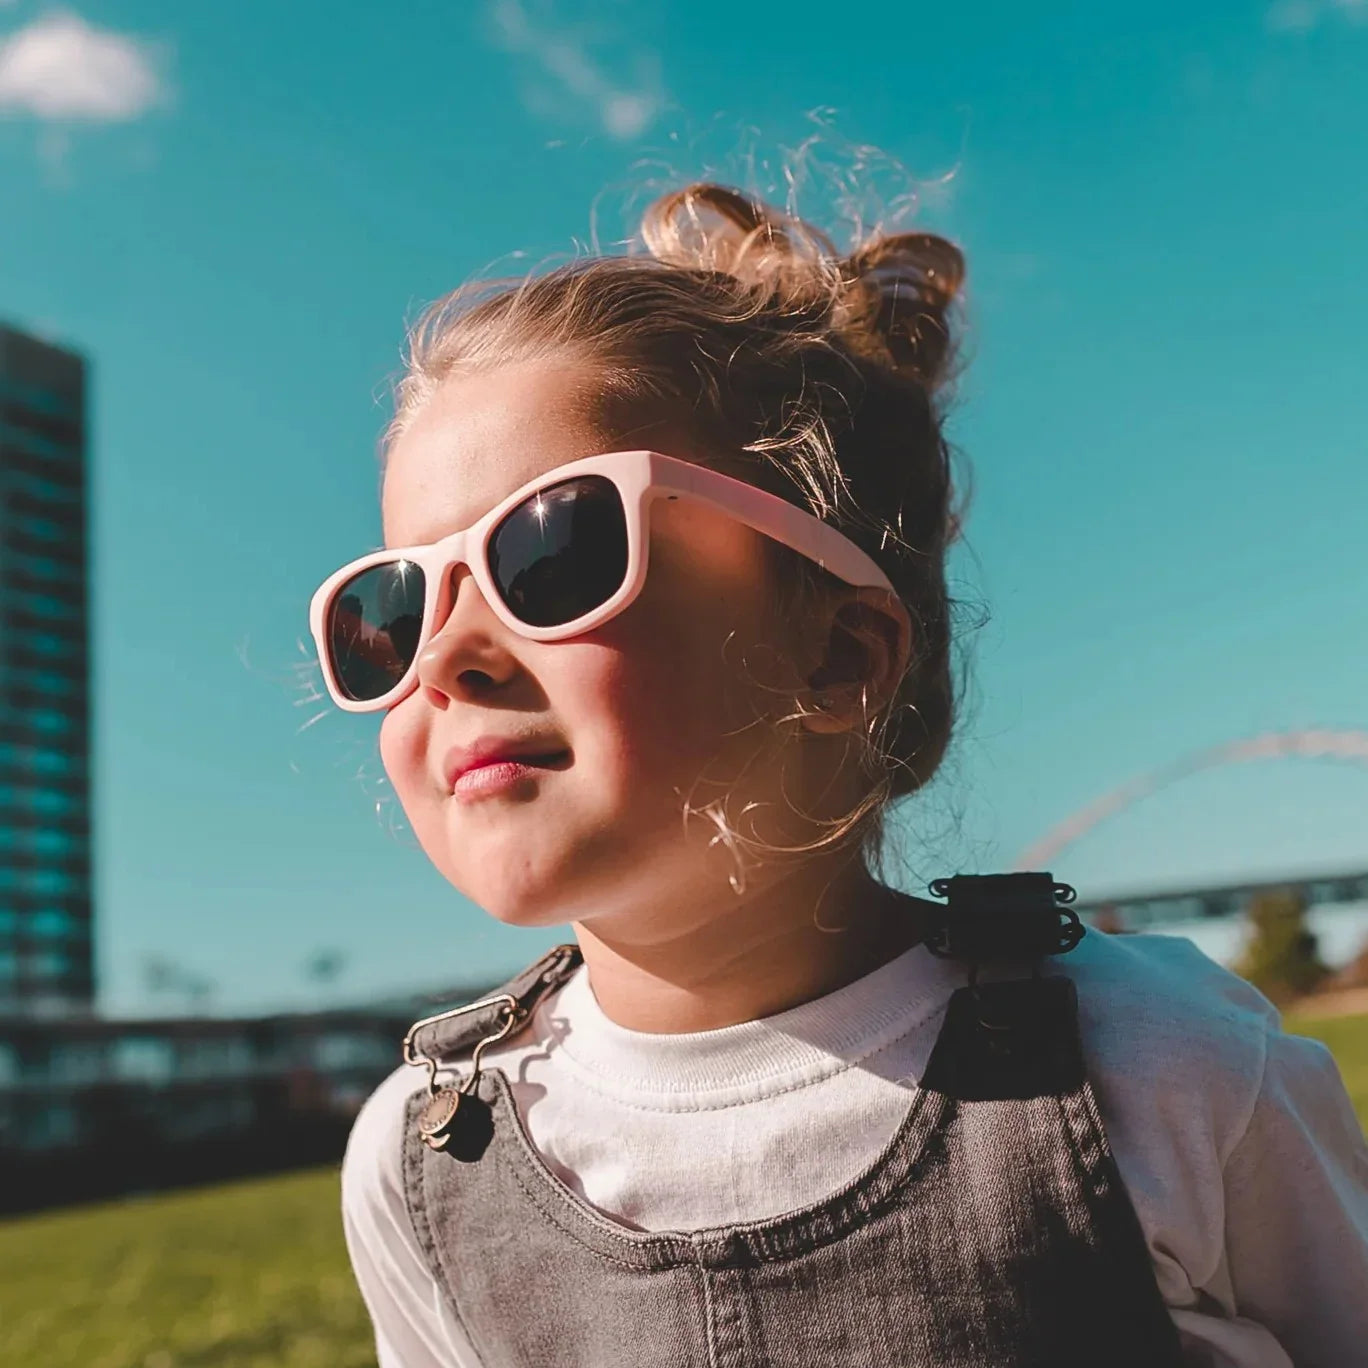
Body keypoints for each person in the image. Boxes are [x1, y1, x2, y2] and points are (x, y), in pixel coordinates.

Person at [313, 182, 1368, 1366]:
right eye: (391, 610)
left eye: (552, 550)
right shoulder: (420, 1158)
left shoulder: (1169, 1069)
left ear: (837, 653)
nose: (445, 656)